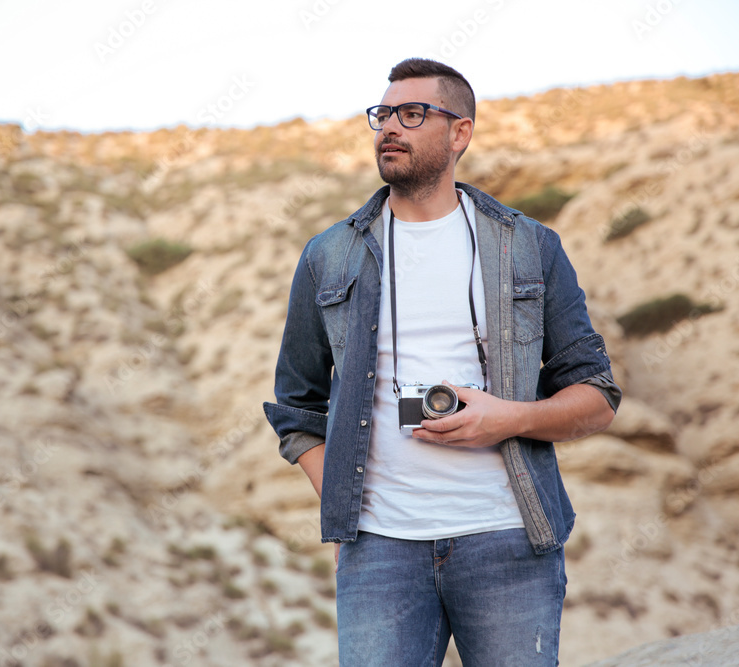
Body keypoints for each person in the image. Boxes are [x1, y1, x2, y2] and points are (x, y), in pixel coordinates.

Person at [262, 58, 622, 666]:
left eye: (411, 114)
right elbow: (296, 408)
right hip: (380, 552)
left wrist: (505, 418)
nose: (388, 129)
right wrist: (348, 507)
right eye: (382, 115)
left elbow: (597, 397)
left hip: (508, 539)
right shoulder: (329, 255)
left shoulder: (527, 247)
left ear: (460, 133)